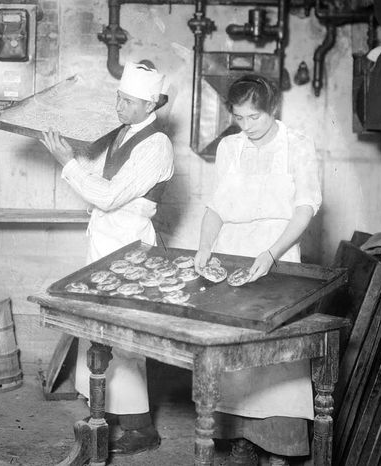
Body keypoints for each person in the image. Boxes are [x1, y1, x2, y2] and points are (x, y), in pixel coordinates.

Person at [40, 61, 175, 456]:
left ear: (151, 104)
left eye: (129, 101)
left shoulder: (156, 144)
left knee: (125, 337)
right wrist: (65, 153)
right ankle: (102, 411)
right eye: (119, 96)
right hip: (105, 240)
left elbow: (108, 196)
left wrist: (66, 163)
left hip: (130, 244)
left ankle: (140, 426)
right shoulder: (123, 133)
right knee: (96, 332)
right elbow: (95, 178)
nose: (119, 105)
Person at [193, 74, 322, 465]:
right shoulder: (230, 147)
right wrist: (204, 247)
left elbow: (305, 208)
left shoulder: (297, 145)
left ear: (273, 110)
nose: (246, 127)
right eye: (239, 118)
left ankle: (281, 444)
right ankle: (240, 440)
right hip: (233, 255)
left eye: (255, 118)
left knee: (276, 355)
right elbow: (216, 206)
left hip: (278, 251)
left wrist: (272, 253)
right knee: (233, 353)